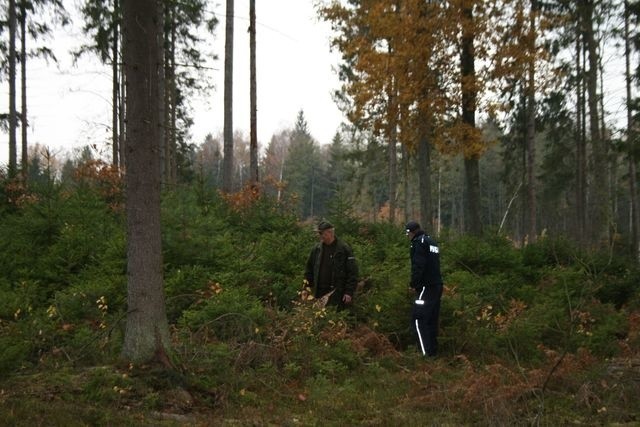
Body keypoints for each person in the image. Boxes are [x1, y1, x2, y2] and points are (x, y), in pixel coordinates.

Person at [406, 220, 443, 357]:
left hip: (425, 288)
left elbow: (418, 266)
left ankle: (425, 354)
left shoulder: (419, 243)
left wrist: (413, 284)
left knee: (419, 319)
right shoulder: (431, 242)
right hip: (437, 286)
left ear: (412, 232)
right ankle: (433, 352)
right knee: (432, 320)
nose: (407, 236)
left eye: (407, 233)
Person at [304, 221, 358, 309]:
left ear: (330, 232)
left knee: (335, 318)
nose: (320, 236)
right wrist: (306, 288)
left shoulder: (344, 249)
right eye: (319, 233)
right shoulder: (316, 249)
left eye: (321, 233)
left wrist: (349, 292)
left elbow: (352, 272)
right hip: (319, 292)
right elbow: (309, 270)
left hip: (337, 293)